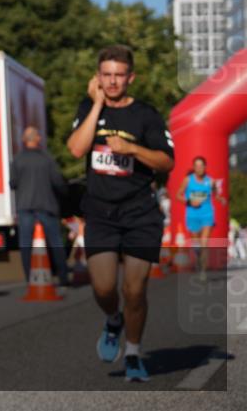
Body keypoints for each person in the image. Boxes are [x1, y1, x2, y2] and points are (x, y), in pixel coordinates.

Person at [66, 45, 174, 383]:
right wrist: (96, 105)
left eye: (119, 75)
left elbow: (167, 161)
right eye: (106, 75)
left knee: (135, 290)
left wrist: (132, 149)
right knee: (102, 288)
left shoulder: (146, 115)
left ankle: (133, 353)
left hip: (140, 213)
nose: (112, 81)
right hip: (99, 213)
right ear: (98, 77)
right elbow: (76, 148)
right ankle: (113, 320)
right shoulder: (88, 108)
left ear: (130, 78)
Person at [10, 126, 69, 287]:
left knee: (26, 244)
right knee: (55, 242)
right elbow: (58, 182)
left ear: (24, 140)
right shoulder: (47, 159)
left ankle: (30, 278)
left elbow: (13, 183)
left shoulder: (18, 159)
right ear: (38, 139)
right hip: (47, 205)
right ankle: (63, 276)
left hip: (25, 206)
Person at [178, 156, 224, 281]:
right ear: (193, 168)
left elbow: (216, 194)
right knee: (196, 245)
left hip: (207, 214)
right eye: (197, 166)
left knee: (204, 243)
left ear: (205, 167)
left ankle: (203, 272)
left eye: (201, 165)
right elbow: (178, 195)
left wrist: (221, 199)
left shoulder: (211, 181)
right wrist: (189, 201)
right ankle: (199, 261)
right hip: (192, 215)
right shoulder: (188, 180)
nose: (199, 168)